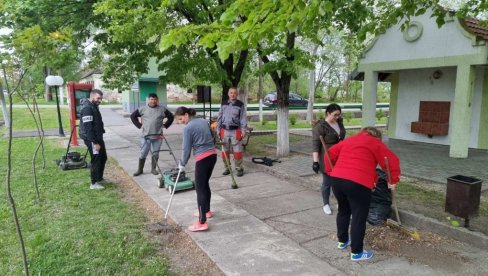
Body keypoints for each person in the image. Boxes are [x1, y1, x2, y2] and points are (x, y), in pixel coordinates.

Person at [325, 126, 400, 261]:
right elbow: (391, 161)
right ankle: (357, 252)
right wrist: (393, 180)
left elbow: (328, 154)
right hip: (357, 182)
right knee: (359, 216)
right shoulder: (375, 143)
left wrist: (331, 171)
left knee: (343, 210)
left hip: (337, 180)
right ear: (377, 136)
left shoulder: (350, 140)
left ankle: (342, 241)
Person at [175, 106, 217, 232]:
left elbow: (186, 149)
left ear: (187, 115)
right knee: (204, 184)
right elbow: (213, 136)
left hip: (203, 159)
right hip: (213, 156)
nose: (180, 122)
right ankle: (207, 211)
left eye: (181, 119)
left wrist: (182, 163)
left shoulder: (188, 128)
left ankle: (202, 221)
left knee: (200, 188)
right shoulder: (204, 121)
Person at [312, 103, 346, 215]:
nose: (337, 117)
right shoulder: (320, 126)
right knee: (327, 182)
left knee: (340, 181)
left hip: (340, 156)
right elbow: (316, 145)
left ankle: (340, 201)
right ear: (328, 113)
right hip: (326, 157)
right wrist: (315, 162)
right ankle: (326, 204)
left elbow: (342, 137)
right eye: (335, 115)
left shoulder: (339, 123)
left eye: (338, 115)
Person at [130, 93, 174, 176]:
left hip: (158, 136)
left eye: (155, 99)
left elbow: (171, 117)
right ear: (148, 100)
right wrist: (139, 125)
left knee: (156, 153)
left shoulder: (162, 109)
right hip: (146, 136)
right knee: (143, 152)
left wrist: (166, 125)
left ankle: (153, 169)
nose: (153, 101)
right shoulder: (142, 109)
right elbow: (132, 116)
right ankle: (140, 170)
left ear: (157, 100)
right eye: (151, 99)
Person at [79, 89, 107, 190]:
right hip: (91, 139)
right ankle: (94, 183)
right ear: (92, 96)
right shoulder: (87, 108)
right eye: (98, 98)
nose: (100, 100)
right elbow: (88, 128)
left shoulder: (94, 106)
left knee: (103, 157)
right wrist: (94, 143)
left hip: (98, 137)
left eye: (101, 98)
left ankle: (99, 178)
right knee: (96, 159)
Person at [217, 87, 247, 177]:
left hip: (235, 131)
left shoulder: (240, 104)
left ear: (236, 94)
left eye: (234, 93)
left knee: (237, 151)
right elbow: (219, 117)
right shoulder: (224, 103)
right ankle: (227, 168)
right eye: (231, 93)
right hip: (224, 130)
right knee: (224, 151)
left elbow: (243, 118)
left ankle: (239, 169)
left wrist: (243, 130)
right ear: (228, 94)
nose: (232, 94)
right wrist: (218, 129)